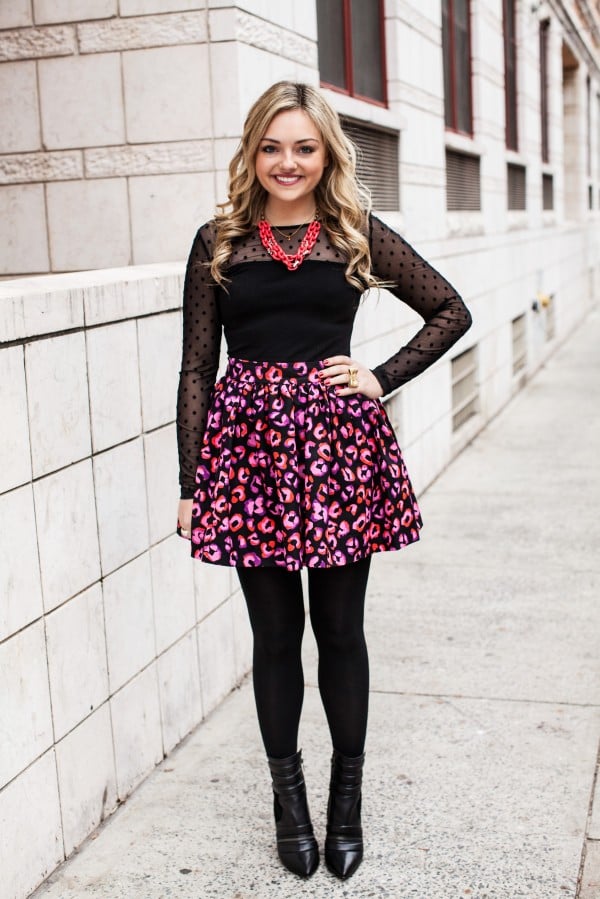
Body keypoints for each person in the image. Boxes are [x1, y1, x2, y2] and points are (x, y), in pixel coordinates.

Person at [176, 81, 472, 880]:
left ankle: (347, 800)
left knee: (340, 630)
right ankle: (289, 802)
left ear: (326, 153)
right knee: (274, 636)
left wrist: (379, 376)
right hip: (248, 459)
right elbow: (198, 368)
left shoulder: (353, 235)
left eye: (303, 147)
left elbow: (449, 309)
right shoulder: (218, 243)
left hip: (341, 453)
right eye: (272, 146)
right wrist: (191, 480)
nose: (287, 162)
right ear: (251, 153)